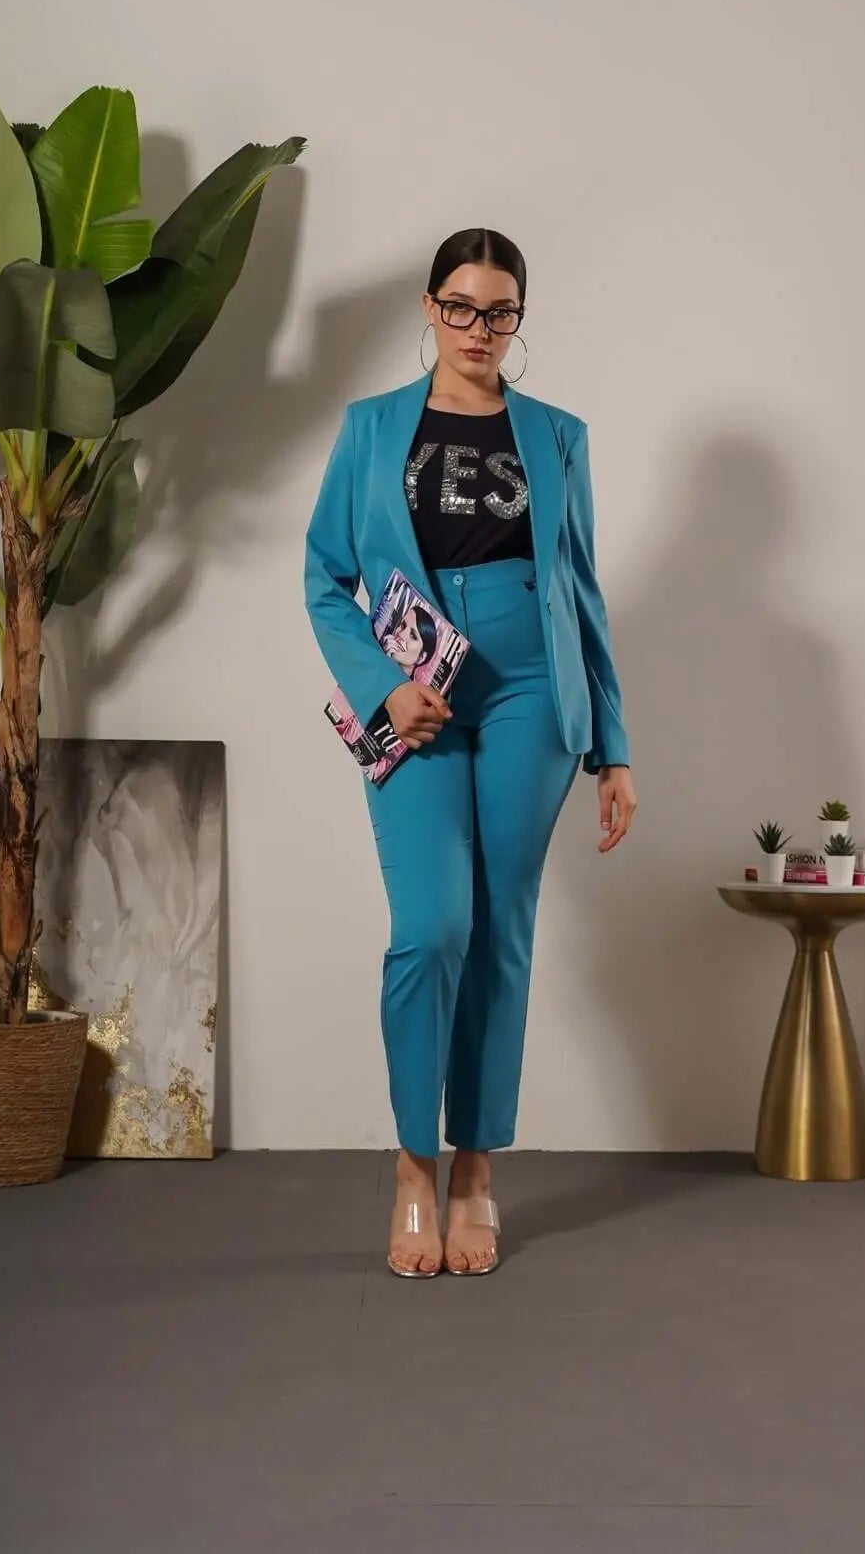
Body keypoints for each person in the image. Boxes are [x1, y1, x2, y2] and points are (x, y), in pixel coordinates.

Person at [304, 227, 636, 1279]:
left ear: (518, 318)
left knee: (499, 931)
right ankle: (414, 1163)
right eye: (460, 306)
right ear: (430, 307)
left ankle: (477, 1171)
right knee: (432, 925)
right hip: (417, 691)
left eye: (499, 312)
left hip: (533, 687)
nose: (478, 328)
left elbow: (581, 590)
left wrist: (614, 748)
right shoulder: (369, 429)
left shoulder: (559, 435)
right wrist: (384, 686)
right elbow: (324, 575)